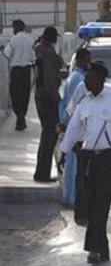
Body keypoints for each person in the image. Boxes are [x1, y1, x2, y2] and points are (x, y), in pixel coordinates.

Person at [59, 62, 111, 265]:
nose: (86, 81)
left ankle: (93, 249)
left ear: (101, 80)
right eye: (86, 78)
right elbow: (74, 128)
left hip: (110, 159)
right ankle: (102, 248)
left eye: (90, 78)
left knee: (101, 203)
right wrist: (64, 152)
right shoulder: (84, 102)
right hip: (89, 158)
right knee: (91, 202)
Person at [58, 49, 92, 217]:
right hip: (75, 126)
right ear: (82, 60)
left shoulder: (74, 77)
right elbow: (74, 106)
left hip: (72, 124)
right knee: (74, 164)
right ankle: (72, 197)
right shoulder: (79, 80)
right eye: (88, 60)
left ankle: (69, 196)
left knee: (72, 163)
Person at [33, 26, 62, 183]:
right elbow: (50, 79)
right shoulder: (48, 52)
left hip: (39, 96)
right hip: (47, 97)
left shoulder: (39, 49)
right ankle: (42, 174)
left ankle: (41, 172)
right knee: (50, 136)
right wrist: (57, 99)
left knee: (46, 135)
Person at [1, 19, 35, 131]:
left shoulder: (13, 40)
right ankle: (22, 117)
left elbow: (6, 54)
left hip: (15, 71)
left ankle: (19, 117)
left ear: (16, 28)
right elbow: (33, 57)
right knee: (25, 94)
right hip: (26, 70)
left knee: (15, 94)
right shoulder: (30, 40)